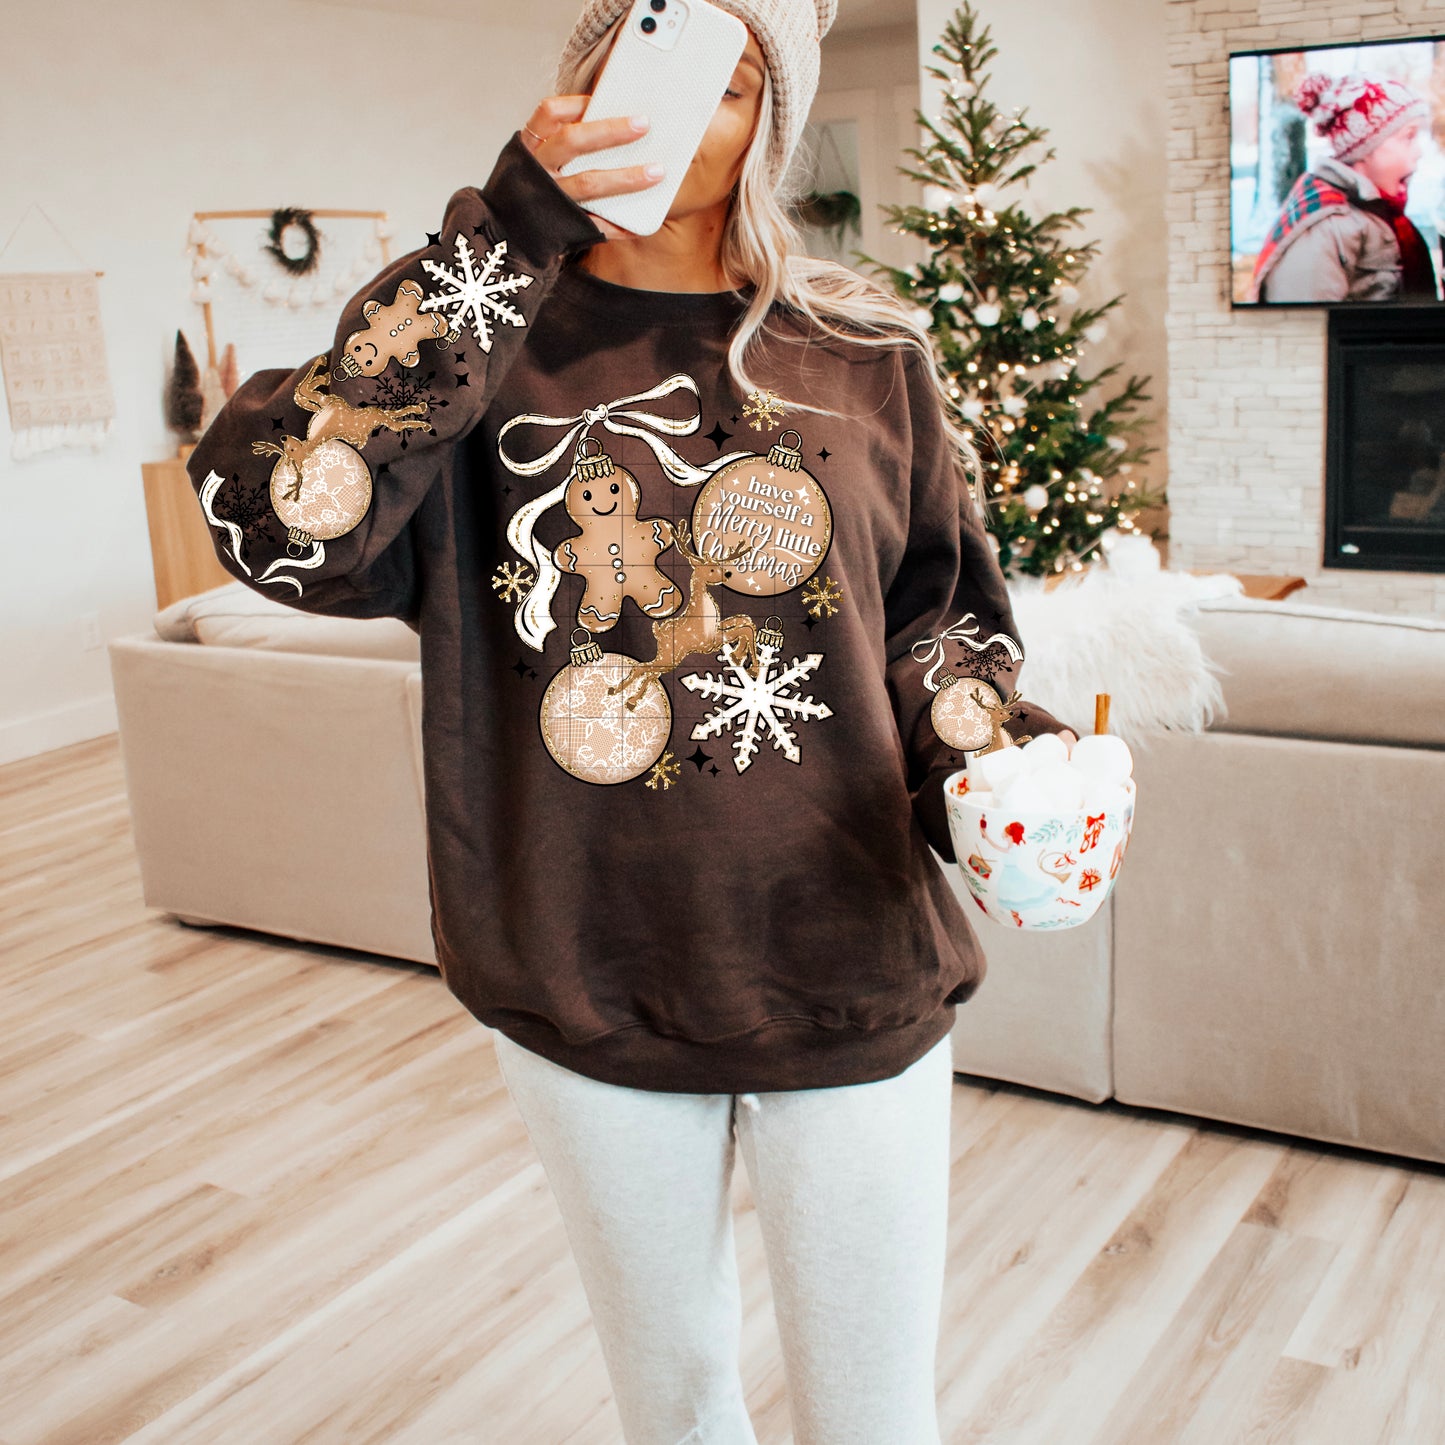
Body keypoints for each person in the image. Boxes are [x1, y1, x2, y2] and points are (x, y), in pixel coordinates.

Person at [188, 1, 1080, 1438]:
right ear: (576, 82)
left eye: (731, 88)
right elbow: (288, 523)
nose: (681, 115)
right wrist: (502, 230)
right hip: (583, 960)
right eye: (642, 69)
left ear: (769, 130)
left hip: (848, 962)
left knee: (874, 1413)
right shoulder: (476, 348)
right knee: (671, 1403)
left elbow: (935, 618)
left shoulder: (861, 354)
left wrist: (995, 760)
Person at [1250, 70, 1439, 304]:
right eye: (1408, 137)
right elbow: (1304, 323)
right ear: (1366, 148)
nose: (1419, 152)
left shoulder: (1380, 215)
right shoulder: (1325, 228)